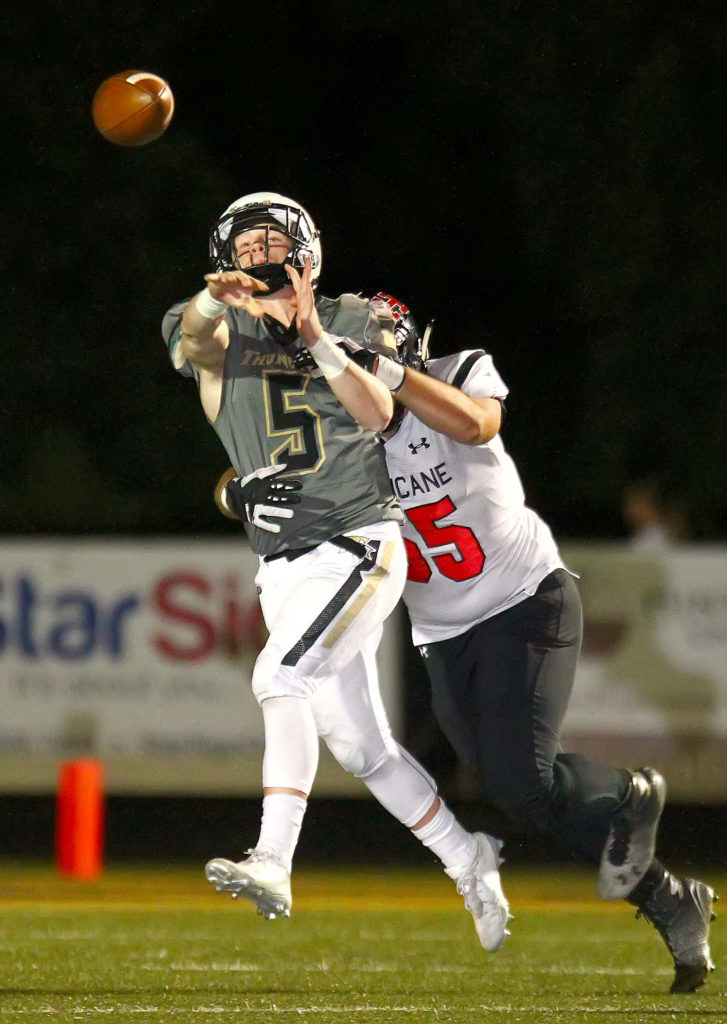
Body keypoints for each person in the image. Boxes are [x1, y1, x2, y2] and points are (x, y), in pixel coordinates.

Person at [218, 291, 717, 993]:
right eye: (367, 338)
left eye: (389, 336)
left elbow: (478, 424)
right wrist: (234, 494)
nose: (379, 345)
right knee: (517, 790)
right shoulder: (340, 416)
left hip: (523, 600)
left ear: (414, 340)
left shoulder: (455, 373)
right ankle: (669, 898)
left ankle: (631, 797)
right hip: (442, 631)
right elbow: (257, 460)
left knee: (519, 777)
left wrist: (391, 377)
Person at [161, 192, 509, 952]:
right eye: (243, 246)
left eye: (269, 242)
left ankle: (274, 859)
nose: (256, 256)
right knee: (363, 749)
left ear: (305, 249)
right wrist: (207, 298)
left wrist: (317, 334)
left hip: (355, 541)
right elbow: (193, 336)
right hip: (282, 567)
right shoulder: (218, 324)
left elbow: (380, 415)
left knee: (277, 680)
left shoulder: (356, 318)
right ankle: (468, 857)